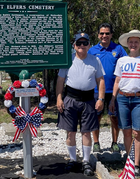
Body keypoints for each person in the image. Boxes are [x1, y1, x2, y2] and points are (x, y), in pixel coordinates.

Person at [56, 32, 105, 176]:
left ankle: (85, 161)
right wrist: (59, 98)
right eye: (79, 43)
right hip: (70, 99)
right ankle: (72, 160)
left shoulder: (95, 60)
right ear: (74, 45)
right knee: (70, 132)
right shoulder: (68, 60)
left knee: (86, 132)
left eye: (85, 43)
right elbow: (60, 80)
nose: (82, 46)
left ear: (89, 45)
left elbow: (100, 80)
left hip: (89, 100)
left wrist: (101, 99)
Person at [109, 29, 140, 177]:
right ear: (127, 44)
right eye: (131, 42)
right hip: (122, 98)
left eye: (136, 42)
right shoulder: (122, 60)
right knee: (126, 131)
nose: (133, 44)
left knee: (138, 132)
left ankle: (136, 164)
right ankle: (128, 162)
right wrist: (112, 99)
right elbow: (117, 81)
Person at [88, 23, 127, 153]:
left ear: (111, 35)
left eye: (107, 33)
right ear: (98, 35)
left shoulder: (119, 49)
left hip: (114, 90)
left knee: (114, 117)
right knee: (96, 117)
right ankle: (96, 143)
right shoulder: (92, 50)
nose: (104, 36)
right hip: (96, 90)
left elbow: (125, 67)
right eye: (102, 33)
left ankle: (115, 142)